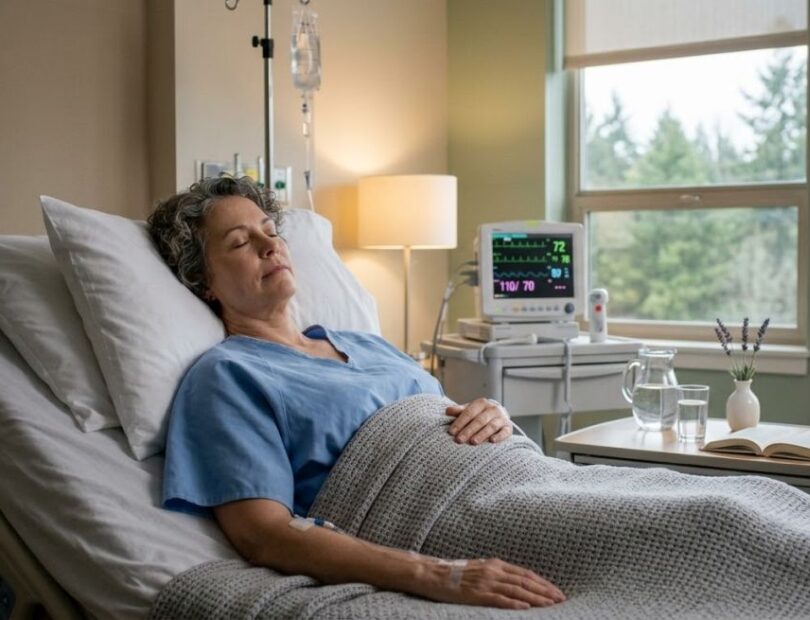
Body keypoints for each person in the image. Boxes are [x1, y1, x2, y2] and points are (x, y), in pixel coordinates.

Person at [147, 176, 565, 611]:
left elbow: (444, 422)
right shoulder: (228, 376)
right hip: (454, 526)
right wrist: (439, 573)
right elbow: (264, 536)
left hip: (528, 480)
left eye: (271, 232)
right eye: (239, 243)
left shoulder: (367, 343)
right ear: (203, 281)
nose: (269, 246)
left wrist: (493, 414)